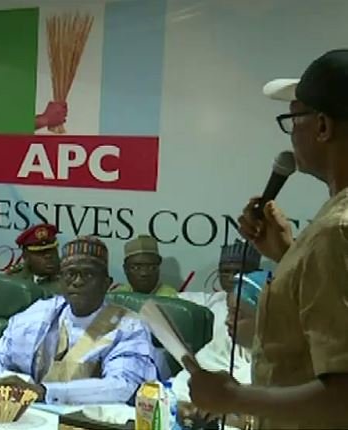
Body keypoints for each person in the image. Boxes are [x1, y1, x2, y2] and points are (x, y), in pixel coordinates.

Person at [185, 50, 348, 429]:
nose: (292, 133)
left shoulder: (335, 231)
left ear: (322, 126)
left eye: (294, 119)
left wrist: (232, 396)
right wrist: (287, 254)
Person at [0, 236, 157, 405]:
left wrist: (43, 392)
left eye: (88, 275)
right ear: (61, 281)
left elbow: (123, 386)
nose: (77, 282)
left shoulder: (128, 326)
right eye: (70, 274)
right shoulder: (42, 312)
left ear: (106, 284)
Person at [174, 271, 267, 428]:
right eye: (228, 311)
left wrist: (234, 413)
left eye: (238, 315)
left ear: (265, 319)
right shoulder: (228, 344)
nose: (227, 321)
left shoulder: (288, 364)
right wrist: (188, 406)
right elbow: (186, 380)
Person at [112, 235, 178, 297]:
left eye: (151, 267)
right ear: (125, 269)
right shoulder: (117, 296)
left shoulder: (171, 299)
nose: (144, 273)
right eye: (136, 268)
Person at [6, 224, 61, 295]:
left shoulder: (68, 280)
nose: (48, 256)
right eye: (40, 252)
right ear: (26, 256)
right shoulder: (14, 281)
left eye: (52, 250)